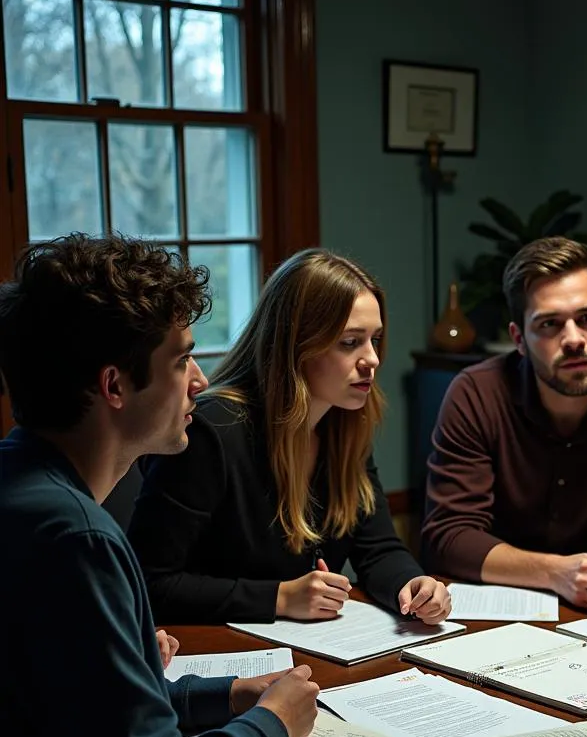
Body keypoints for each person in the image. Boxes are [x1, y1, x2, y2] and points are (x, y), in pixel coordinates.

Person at [0, 234, 320, 737]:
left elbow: (83, 709)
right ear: (115, 386)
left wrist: (220, 695)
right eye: (181, 360)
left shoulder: (21, 486)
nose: (200, 381)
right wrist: (271, 722)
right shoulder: (77, 538)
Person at [128, 249, 451, 626]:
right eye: (350, 342)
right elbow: (149, 584)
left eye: (374, 340)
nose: (372, 359)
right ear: (296, 345)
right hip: (216, 655)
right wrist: (278, 597)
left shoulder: (343, 423)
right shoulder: (210, 432)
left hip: (309, 652)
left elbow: (377, 548)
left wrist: (414, 585)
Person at [421, 236, 587, 608]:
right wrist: (554, 572)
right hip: (497, 611)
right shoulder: (476, 393)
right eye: (549, 324)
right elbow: (449, 536)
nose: (574, 339)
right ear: (519, 339)